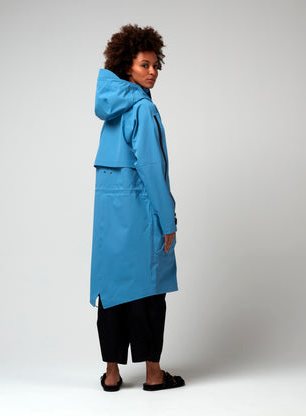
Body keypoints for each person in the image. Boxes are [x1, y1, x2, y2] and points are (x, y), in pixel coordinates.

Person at [90, 24, 184, 392]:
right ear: (126, 66)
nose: (152, 72)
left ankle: (112, 375)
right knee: (149, 291)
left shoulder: (112, 110)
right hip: (141, 216)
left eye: (156, 65)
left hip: (109, 219)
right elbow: (151, 169)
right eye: (145, 65)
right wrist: (167, 219)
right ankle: (153, 375)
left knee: (112, 291)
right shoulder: (143, 108)